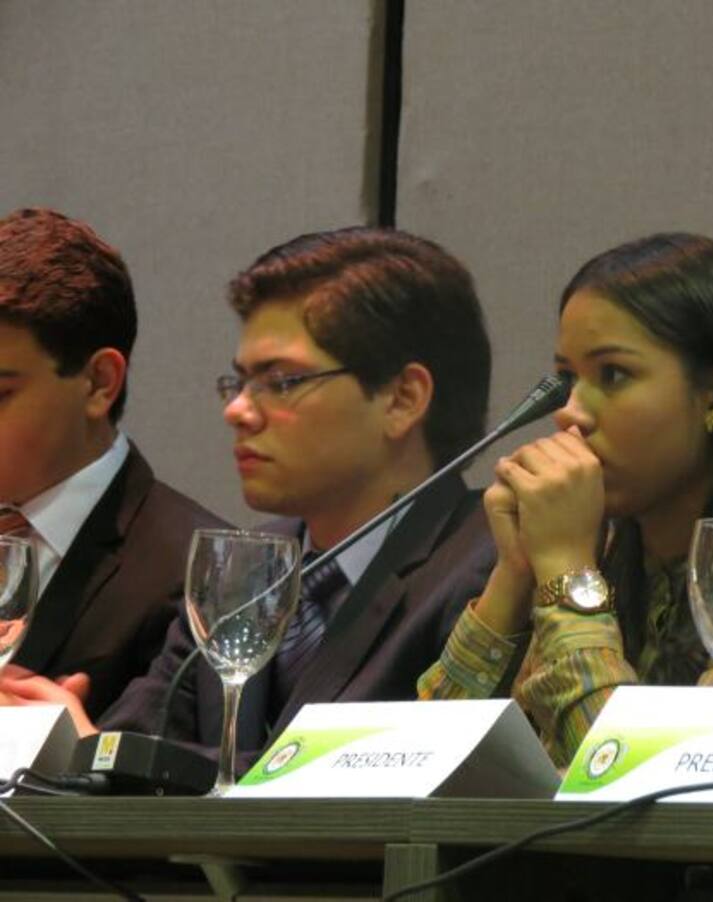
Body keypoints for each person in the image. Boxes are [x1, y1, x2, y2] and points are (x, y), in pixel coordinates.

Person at [2, 226, 496, 772]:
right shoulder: (245, 562)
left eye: (281, 382)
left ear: (403, 399)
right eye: (238, 383)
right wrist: (39, 729)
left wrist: (90, 752)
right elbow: (142, 744)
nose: (237, 410)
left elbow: (387, 775)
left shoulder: (488, 565)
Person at [420, 232, 713, 767]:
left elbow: (630, 781)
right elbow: (429, 764)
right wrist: (515, 572)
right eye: (567, 379)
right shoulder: (597, 562)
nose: (571, 413)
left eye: (613, 375)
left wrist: (568, 575)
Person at [0, 207, 224, 717]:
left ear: (100, 382)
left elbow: (185, 786)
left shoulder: (195, 579)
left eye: (0, 392)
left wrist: (59, 750)